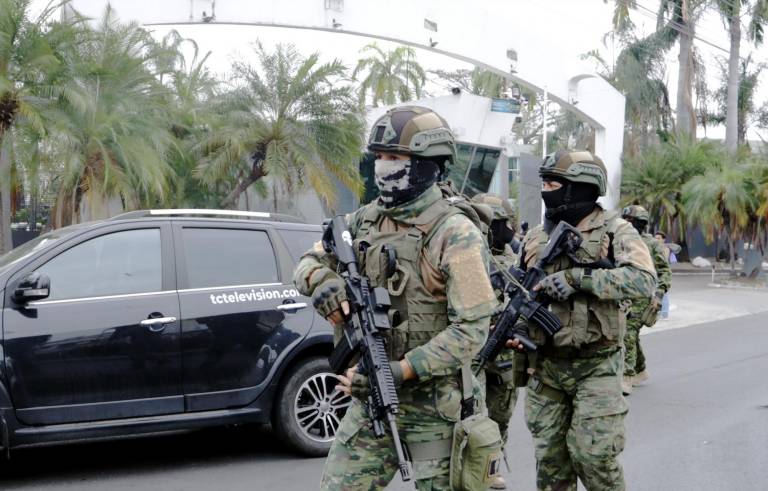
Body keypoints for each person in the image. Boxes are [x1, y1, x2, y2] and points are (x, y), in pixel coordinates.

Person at [293, 105, 499, 490]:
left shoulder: (456, 234)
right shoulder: (363, 220)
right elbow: (306, 261)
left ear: (428, 164)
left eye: (396, 158)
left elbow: (473, 331)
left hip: (437, 407)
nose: (383, 166)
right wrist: (321, 281)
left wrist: (400, 370)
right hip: (369, 395)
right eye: (380, 157)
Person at [513, 150, 656, 491]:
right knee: (550, 464)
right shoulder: (535, 237)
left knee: (595, 459)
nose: (546, 191)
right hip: (546, 368)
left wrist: (581, 280)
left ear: (579, 188)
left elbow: (643, 280)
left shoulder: (615, 231)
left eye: (553, 184)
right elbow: (519, 292)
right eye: (543, 183)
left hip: (597, 365)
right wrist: (516, 327)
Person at [471, 193, 519, 490]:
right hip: (471, 351)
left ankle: (491, 468)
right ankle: (469, 468)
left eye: (498, 223)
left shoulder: (514, 261)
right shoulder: (466, 255)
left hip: (504, 354)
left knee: (500, 415)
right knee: (470, 416)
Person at [621, 206, 671, 394]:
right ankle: (640, 370)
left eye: (629, 219)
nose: (625, 221)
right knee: (628, 334)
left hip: (642, 297)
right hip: (621, 293)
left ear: (639, 223)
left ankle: (626, 377)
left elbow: (665, 271)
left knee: (628, 333)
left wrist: (658, 295)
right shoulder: (621, 239)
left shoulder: (651, 244)